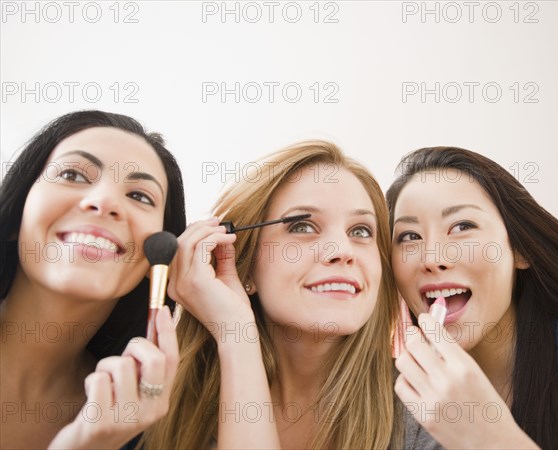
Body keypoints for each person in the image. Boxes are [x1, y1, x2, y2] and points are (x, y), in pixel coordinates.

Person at [142, 140, 435, 449]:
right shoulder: (159, 402)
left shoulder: (425, 412)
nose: (342, 251)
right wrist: (236, 334)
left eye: (361, 231)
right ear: (244, 264)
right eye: (303, 226)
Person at [387, 146, 558, 449]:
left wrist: (489, 437)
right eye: (409, 236)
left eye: (462, 226)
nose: (432, 257)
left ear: (520, 249)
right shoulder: (401, 409)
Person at [0, 110, 186, 449]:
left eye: (140, 196)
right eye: (72, 174)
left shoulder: (145, 425)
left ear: (156, 256)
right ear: (16, 216)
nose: (104, 202)